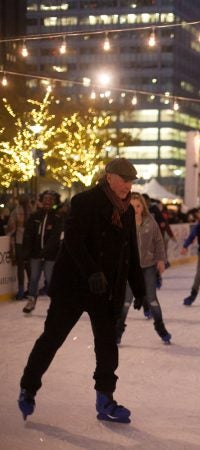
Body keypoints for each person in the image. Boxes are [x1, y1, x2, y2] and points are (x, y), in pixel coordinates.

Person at [18, 158, 145, 424]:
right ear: (109, 177)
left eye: (131, 180)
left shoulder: (125, 210)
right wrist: (92, 271)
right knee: (53, 338)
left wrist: (140, 287)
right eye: (124, 179)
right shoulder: (84, 202)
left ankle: (105, 399)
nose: (128, 185)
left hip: (107, 290)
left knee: (107, 345)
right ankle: (28, 387)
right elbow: (74, 241)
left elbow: (130, 251)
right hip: (74, 287)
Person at [115, 193, 171, 345]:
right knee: (126, 301)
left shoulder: (149, 221)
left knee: (152, 300)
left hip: (148, 267)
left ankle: (161, 329)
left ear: (143, 207)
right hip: (129, 268)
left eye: (138, 206)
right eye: (132, 206)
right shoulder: (122, 221)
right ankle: (117, 332)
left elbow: (159, 241)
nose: (136, 209)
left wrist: (161, 260)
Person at [22, 191, 63, 314]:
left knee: (51, 279)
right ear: (41, 200)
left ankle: (55, 303)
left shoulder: (58, 218)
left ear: (54, 202)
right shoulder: (35, 217)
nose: (47, 202)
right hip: (35, 255)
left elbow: (55, 238)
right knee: (33, 278)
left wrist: (46, 252)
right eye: (45, 199)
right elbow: (28, 235)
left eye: (50, 199)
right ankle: (31, 300)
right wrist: (26, 253)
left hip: (50, 256)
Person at [6, 194, 32, 300]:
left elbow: (10, 227)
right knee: (29, 266)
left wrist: (10, 234)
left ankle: (21, 290)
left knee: (21, 266)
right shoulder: (32, 211)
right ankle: (31, 289)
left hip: (20, 241)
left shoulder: (16, 211)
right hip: (30, 242)